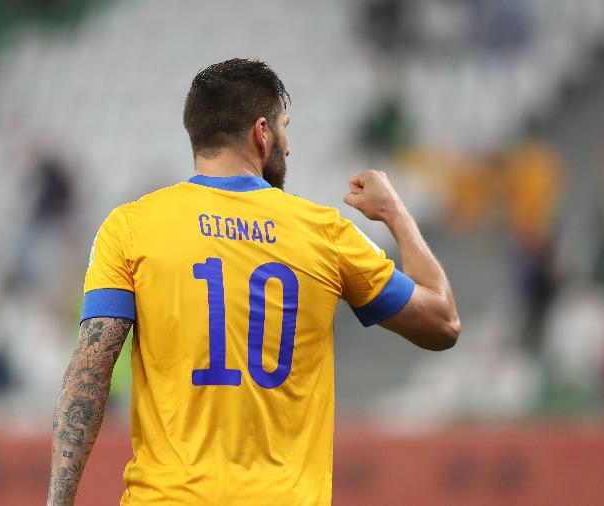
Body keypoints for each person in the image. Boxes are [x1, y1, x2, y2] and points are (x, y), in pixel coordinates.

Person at [46, 58, 460, 506]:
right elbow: (442, 323)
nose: (288, 144)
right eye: (285, 128)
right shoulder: (325, 232)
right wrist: (395, 214)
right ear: (262, 133)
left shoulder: (130, 227)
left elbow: (90, 370)